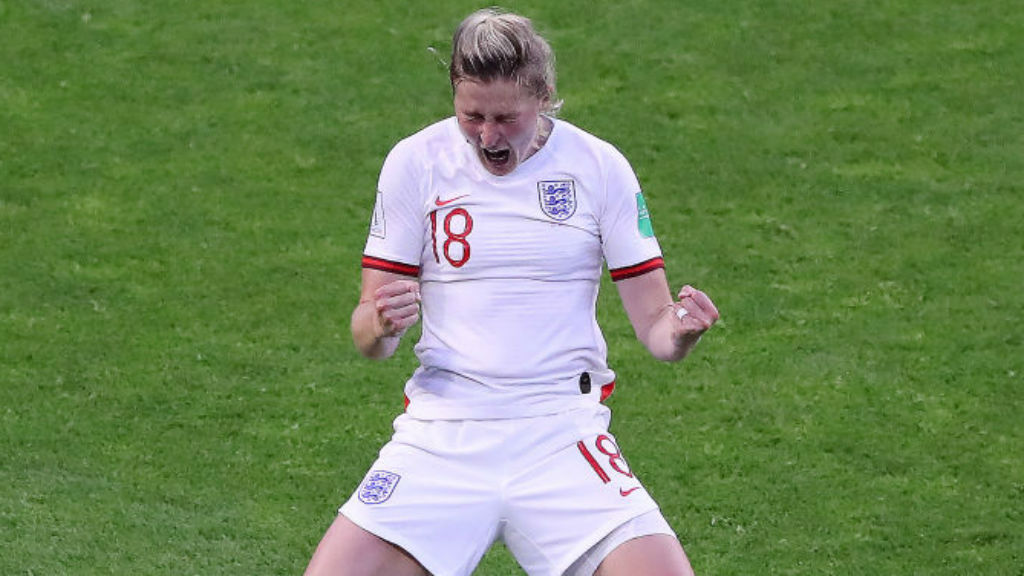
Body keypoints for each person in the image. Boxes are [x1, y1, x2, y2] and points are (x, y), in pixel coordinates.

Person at [305, 7, 719, 576]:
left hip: (561, 430)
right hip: (444, 432)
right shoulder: (416, 163)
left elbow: (656, 331)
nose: (488, 136)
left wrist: (681, 328)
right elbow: (366, 336)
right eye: (471, 115)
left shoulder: (599, 168)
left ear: (544, 95)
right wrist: (379, 324)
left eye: (506, 117)